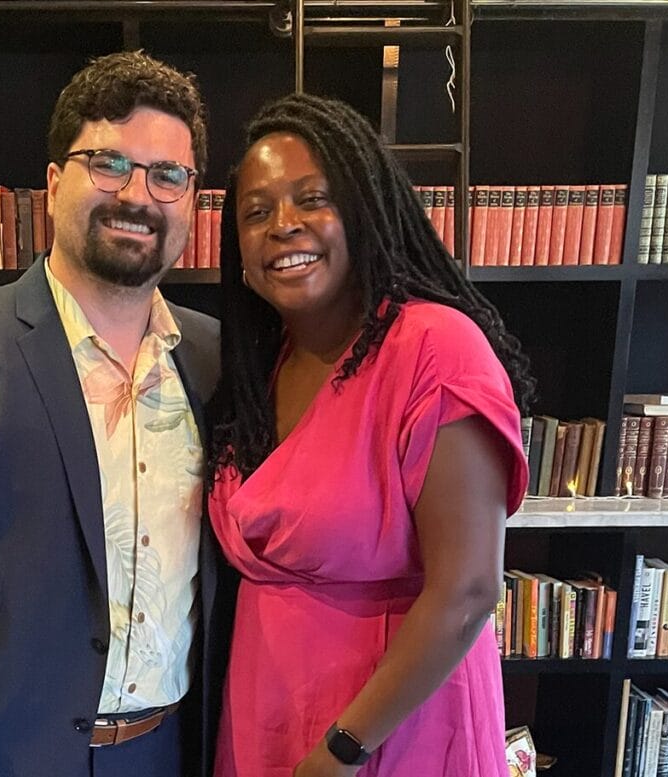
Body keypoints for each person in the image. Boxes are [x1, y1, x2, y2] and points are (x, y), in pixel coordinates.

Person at [0, 51, 226, 777]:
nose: (137, 195)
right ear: (55, 182)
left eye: (166, 174)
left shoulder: (216, 360)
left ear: (190, 199)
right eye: (109, 163)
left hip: (169, 752)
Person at [207, 93, 536, 777]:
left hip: (388, 727)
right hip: (266, 710)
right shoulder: (260, 369)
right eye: (257, 212)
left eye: (312, 199)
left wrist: (344, 748)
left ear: (363, 209)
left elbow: (469, 587)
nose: (283, 226)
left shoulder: (435, 348)